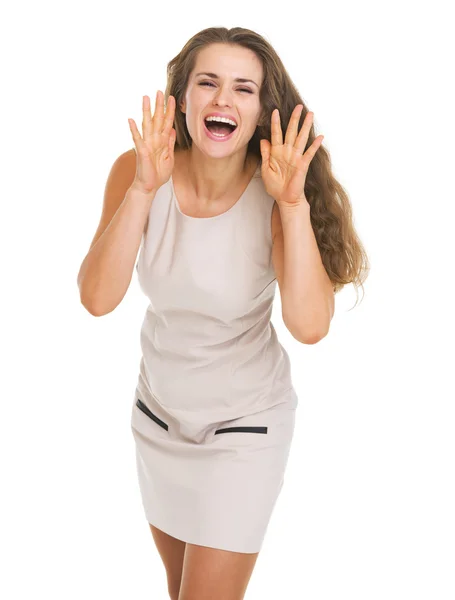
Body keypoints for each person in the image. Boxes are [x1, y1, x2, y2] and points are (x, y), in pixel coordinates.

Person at [77, 26, 369, 600]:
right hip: (159, 419)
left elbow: (310, 327)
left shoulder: (274, 196)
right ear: (181, 97)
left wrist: (292, 204)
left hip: (245, 429)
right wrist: (142, 188)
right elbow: (96, 299)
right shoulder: (135, 171)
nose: (222, 100)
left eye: (243, 88)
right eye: (207, 83)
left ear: (262, 110)